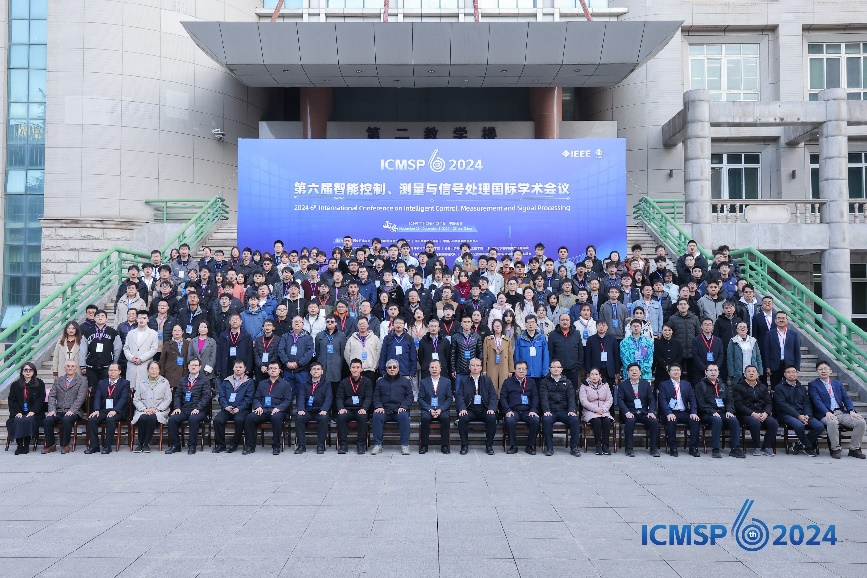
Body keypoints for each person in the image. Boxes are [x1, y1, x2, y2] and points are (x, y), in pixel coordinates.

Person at [808, 360, 866, 459]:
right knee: (832, 422)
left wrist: (851, 410)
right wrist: (826, 412)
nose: (823, 371)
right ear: (817, 372)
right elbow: (816, 400)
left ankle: (854, 449)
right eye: (820, 369)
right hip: (824, 414)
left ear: (830, 371)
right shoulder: (813, 384)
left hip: (839, 412)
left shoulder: (837, 383)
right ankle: (835, 449)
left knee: (860, 422)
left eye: (825, 369)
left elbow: (846, 398)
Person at [694, 364, 745, 458]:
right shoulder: (700, 385)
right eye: (710, 370)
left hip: (722, 411)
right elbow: (700, 403)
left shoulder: (722, 384)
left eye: (715, 370)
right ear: (706, 372)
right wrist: (712, 412)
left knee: (734, 420)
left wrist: (729, 410)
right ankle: (715, 449)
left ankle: (735, 448)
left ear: (718, 372)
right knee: (717, 420)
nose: (713, 372)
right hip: (707, 413)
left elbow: (729, 400)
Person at [242, 361, 292, 455]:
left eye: (275, 368)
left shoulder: (285, 384)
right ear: (267, 371)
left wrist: (279, 408)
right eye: (271, 368)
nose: (273, 370)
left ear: (279, 370)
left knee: (276, 418)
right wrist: (258, 406)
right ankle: (250, 446)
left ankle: (276, 446)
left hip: (277, 410)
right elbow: (256, 398)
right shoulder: (262, 383)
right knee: (250, 418)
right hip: (264, 409)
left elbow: (288, 400)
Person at [165, 359, 212, 455]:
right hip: (184, 408)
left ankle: (192, 445)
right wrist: (177, 407)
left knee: (193, 419)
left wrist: (198, 408)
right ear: (188, 366)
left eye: (196, 365)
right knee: (172, 419)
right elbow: (177, 395)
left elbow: (206, 397)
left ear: (200, 367)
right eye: (192, 365)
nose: (193, 367)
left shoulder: (205, 380)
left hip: (198, 410)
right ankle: (175, 445)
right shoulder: (182, 380)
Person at [42, 360, 88, 454]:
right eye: (68, 366)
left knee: (66, 419)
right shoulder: (58, 380)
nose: (70, 368)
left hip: (75, 411)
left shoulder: (82, 380)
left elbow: (81, 397)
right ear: (64, 368)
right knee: (47, 420)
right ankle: (51, 445)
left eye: (73, 366)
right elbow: (52, 396)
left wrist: (72, 410)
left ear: (76, 368)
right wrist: (52, 410)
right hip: (59, 410)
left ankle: (65, 445)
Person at [732, 365, 778, 456]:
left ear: (758, 375)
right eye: (749, 371)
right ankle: (756, 447)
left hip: (761, 412)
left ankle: (766, 447)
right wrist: (752, 413)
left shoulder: (763, 387)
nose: (751, 373)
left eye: (753, 371)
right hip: (746, 414)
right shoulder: (738, 387)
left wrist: (766, 413)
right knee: (755, 422)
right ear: (745, 374)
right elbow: (738, 404)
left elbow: (769, 402)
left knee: (773, 423)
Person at [85, 364, 130, 455]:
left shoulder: (125, 383)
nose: (112, 372)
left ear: (119, 372)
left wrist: (115, 410)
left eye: (115, 370)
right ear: (108, 371)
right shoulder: (102, 383)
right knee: (92, 420)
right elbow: (97, 397)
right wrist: (96, 410)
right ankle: (94, 446)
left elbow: (124, 399)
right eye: (111, 370)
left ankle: (107, 446)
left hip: (118, 411)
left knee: (110, 419)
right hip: (104, 410)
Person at [455, 358, 498, 455]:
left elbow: (493, 395)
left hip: (484, 409)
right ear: (469, 367)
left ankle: (489, 445)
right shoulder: (464, 380)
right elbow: (459, 396)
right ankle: (464, 445)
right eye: (473, 365)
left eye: (477, 365)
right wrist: (462, 408)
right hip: (469, 409)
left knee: (492, 418)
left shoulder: (487, 380)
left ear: (481, 368)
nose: (475, 368)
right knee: (462, 418)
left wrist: (491, 408)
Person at [370, 360, 413, 455]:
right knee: (376, 416)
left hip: (399, 410)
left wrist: (404, 406)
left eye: (394, 367)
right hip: (384, 410)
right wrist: (378, 406)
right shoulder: (380, 382)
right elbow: (376, 397)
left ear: (398, 369)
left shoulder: (405, 381)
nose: (392, 369)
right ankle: (378, 445)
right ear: (386, 369)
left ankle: (405, 445)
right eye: (390, 367)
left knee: (404, 416)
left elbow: (409, 396)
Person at [658, 363, 701, 457]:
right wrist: (668, 413)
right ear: (669, 372)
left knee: (695, 420)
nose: (676, 372)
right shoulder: (663, 384)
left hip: (684, 412)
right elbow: (662, 400)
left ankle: (693, 448)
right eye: (673, 370)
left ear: (681, 372)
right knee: (671, 421)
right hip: (671, 412)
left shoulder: (687, 384)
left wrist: (693, 412)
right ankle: (673, 447)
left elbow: (692, 399)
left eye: (678, 370)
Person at [539, 360, 580, 457]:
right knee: (546, 420)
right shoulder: (544, 382)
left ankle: (574, 447)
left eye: (558, 367)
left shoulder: (567, 382)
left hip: (564, 411)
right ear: (550, 369)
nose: (556, 369)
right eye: (553, 367)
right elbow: (543, 398)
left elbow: (571, 398)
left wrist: (572, 410)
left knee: (574, 420)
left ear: (561, 369)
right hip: (551, 411)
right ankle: (549, 448)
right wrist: (546, 410)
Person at [212, 360, 255, 453]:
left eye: (240, 367)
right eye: (236, 367)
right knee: (217, 420)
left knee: (240, 420)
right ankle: (221, 445)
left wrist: (239, 408)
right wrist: (226, 406)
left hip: (241, 410)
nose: (238, 369)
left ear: (245, 369)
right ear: (233, 368)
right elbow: (221, 396)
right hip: (227, 408)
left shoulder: (249, 382)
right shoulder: (226, 381)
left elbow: (248, 398)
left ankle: (234, 444)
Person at [500, 360, 540, 455]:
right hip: (513, 411)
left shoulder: (531, 382)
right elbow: (503, 398)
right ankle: (513, 446)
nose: (521, 371)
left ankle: (530, 446)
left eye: (523, 369)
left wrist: (533, 410)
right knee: (509, 420)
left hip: (528, 411)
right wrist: (507, 410)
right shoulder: (507, 382)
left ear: (526, 370)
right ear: (515, 370)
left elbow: (535, 397)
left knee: (535, 420)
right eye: (519, 369)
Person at [131, 361, 172, 453]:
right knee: (143, 418)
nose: (154, 371)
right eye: (151, 368)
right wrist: (144, 409)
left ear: (159, 370)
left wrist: (157, 409)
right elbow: (136, 399)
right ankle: (140, 443)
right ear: (148, 370)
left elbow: (168, 399)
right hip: (144, 410)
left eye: (156, 368)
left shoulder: (165, 382)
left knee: (152, 418)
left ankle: (146, 443)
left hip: (159, 411)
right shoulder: (141, 382)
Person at [336, 358, 374, 454]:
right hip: (347, 409)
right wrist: (341, 408)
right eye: (353, 367)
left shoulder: (367, 382)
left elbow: (368, 397)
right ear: (350, 369)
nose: (355, 370)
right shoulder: (344, 382)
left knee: (363, 417)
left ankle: (361, 444)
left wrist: (364, 408)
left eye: (357, 367)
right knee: (341, 416)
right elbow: (339, 398)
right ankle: (343, 445)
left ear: (361, 369)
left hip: (360, 409)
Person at [7, 363, 46, 455]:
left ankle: (26, 445)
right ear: (22, 372)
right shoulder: (15, 385)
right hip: (19, 412)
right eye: (25, 370)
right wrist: (17, 412)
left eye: (30, 370)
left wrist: (33, 411)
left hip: (34, 413)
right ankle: (20, 445)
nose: (28, 372)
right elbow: (12, 400)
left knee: (28, 420)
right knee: (17, 420)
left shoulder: (40, 384)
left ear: (34, 372)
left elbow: (41, 399)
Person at [294, 362, 332, 454]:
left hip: (320, 410)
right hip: (308, 410)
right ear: (310, 372)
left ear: (322, 372)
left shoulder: (327, 384)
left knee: (324, 418)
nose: (316, 371)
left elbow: (328, 398)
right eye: (313, 369)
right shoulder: (304, 384)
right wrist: (301, 409)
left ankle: (320, 445)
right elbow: (301, 397)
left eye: (318, 369)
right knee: (299, 418)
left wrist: (324, 409)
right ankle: (301, 446)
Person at [80, 309, 122, 393]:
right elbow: (83, 349)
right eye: (98, 316)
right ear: (94, 318)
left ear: (106, 319)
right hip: (91, 366)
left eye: (102, 316)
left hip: (107, 367)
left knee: (105, 390)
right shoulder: (87, 332)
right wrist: (82, 365)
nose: (100, 318)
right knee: (92, 390)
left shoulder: (113, 332)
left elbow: (118, 348)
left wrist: (114, 363)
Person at [418, 359, 452, 454]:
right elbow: (420, 399)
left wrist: (441, 409)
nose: (434, 369)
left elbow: (449, 398)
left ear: (440, 369)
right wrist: (429, 409)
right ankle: (424, 446)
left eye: (436, 367)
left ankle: (444, 446)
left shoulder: (447, 381)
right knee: (425, 418)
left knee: (445, 418)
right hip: (428, 409)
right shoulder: (424, 382)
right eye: (432, 367)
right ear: (429, 369)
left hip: (442, 409)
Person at [314, 317, 347, 414]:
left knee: (335, 393)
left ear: (336, 323)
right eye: (328, 321)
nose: (330, 323)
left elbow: (343, 353)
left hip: (336, 369)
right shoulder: (319, 335)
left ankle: (335, 414)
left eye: (332, 321)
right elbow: (317, 352)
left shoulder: (341, 336)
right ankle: (324, 413)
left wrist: (340, 366)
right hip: (323, 369)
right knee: (323, 393)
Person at [580, 368, 615, 456]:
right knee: (597, 421)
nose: (594, 376)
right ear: (589, 376)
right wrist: (596, 409)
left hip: (604, 410)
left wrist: (603, 409)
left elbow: (609, 399)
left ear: (600, 375)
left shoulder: (605, 385)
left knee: (607, 421)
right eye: (592, 374)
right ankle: (598, 445)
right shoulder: (584, 385)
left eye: (596, 374)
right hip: (590, 411)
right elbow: (583, 401)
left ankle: (605, 445)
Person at [278, 316, 315, 398]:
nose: (297, 323)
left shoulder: (308, 338)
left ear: (303, 324)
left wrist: (298, 363)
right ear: (292, 324)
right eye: (295, 321)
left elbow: (309, 352)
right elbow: (281, 350)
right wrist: (287, 362)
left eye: (299, 322)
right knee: (287, 395)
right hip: (287, 370)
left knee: (302, 395)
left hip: (302, 371)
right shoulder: (285, 336)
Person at [123, 311, 159, 391]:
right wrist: (132, 358)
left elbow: (154, 349)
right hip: (132, 365)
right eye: (139, 318)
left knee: (144, 390)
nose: (141, 320)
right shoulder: (130, 333)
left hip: (145, 365)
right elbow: (126, 348)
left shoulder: (153, 333)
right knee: (130, 390)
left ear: (148, 320)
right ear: (136, 319)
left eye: (144, 318)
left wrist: (141, 358)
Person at [765, 311, 801, 388]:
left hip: (789, 365)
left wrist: (797, 367)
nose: (781, 320)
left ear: (787, 320)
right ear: (775, 320)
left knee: (790, 387)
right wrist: (767, 366)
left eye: (783, 318)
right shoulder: (769, 334)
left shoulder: (794, 334)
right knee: (775, 387)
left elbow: (797, 352)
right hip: (774, 365)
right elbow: (767, 352)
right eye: (779, 318)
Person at [547, 313, 584, 389]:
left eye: (567, 320)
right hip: (558, 370)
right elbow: (550, 352)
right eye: (562, 320)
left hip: (573, 370)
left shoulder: (576, 334)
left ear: (570, 321)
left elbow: (580, 351)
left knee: (572, 391)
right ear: (559, 321)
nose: (565, 322)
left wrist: (578, 366)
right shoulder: (553, 335)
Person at [668, 298, 701, 383]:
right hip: (678, 352)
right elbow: (670, 334)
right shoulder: (672, 319)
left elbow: (698, 334)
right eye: (681, 304)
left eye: (685, 304)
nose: (683, 306)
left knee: (692, 375)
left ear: (688, 306)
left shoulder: (695, 318)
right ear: (677, 306)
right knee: (679, 375)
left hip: (692, 351)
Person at [584, 320, 620, 385]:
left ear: (607, 327)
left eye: (603, 325)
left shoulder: (612, 339)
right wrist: (588, 371)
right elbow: (587, 356)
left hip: (609, 371)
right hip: (595, 370)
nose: (601, 327)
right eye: (599, 325)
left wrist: (617, 372)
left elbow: (616, 356)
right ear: (596, 327)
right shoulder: (590, 339)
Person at [513, 315, 549, 379]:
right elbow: (517, 356)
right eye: (528, 322)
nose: (531, 324)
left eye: (533, 322)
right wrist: (518, 371)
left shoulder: (542, 338)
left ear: (536, 324)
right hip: (524, 373)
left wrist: (545, 371)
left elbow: (545, 355)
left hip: (539, 372)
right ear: (525, 324)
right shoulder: (520, 339)